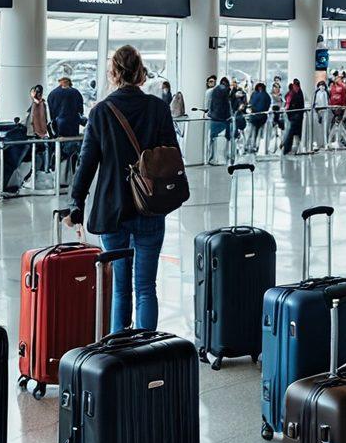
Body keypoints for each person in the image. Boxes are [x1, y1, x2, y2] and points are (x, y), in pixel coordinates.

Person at [66, 45, 179, 332]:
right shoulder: (158, 108)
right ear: (140, 72)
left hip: (113, 208)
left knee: (120, 287)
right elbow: (171, 155)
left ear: (114, 73)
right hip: (151, 206)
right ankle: (146, 352)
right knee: (145, 287)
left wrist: (75, 202)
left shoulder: (101, 112)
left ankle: (120, 354)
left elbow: (87, 162)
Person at [207, 76, 232, 163]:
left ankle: (211, 158)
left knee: (212, 138)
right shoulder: (224, 90)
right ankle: (222, 158)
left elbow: (211, 104)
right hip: (223, 119)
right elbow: (226, 105)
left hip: (214, 118)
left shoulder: (214, 90)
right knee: (225, 139)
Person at [282, 78, 305, 155]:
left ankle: (289, 148)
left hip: (295, 116)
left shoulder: (294, 93)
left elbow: (290, 105)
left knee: (292, 133)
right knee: (294, 133)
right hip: (295, 116)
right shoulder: (296, 93)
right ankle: (293, 148)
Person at [247, 81, 270, 152]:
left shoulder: (254, 94)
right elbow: (267, 105)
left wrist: (252, 109)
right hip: (262, 117)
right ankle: (257, 147)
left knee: (252, 132)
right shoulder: (266, 95)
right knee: (259, 133)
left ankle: (250, 146)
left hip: (254, 116)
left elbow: (251, 104)